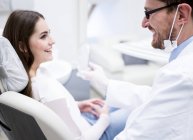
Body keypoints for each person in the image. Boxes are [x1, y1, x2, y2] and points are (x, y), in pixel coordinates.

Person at [79, 0, 193, 139]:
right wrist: (106, 85)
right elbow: (159, 97)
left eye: (148, 13)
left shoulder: (182, 75)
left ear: (181, 15)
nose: (143, 23)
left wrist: (103, 121)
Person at [3, 10, 129, 140]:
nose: (52, 41)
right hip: (95, 133)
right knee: (134, 111)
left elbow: (52, 115)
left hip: (82, 121)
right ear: (23, 46)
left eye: (49, 34)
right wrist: (104, 119)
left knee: (118, 102)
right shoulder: (45, 89)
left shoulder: (23, 81)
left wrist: (76, 106)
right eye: (43, 36)